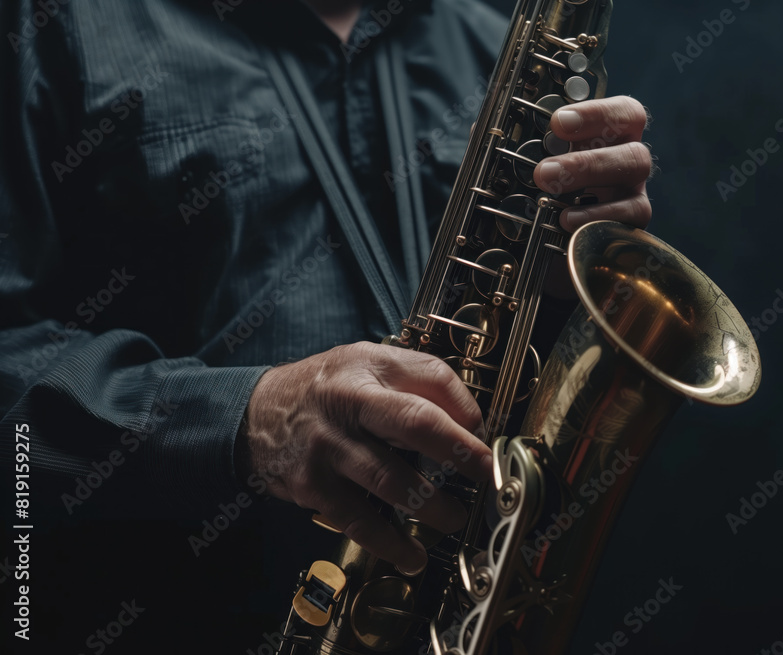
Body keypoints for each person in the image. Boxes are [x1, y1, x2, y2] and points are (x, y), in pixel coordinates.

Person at [0, 0, 652, 582]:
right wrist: (244, 419)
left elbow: (509, 346)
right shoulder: (53, 23)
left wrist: (565, 282)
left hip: (439, 591)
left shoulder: (496, 46)